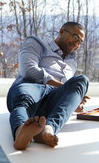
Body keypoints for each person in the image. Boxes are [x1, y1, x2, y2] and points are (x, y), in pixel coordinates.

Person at [6, 22, 90, 150]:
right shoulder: (36, 43)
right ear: (62, 31)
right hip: (31, 88)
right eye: (75, 37)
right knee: (24, 100)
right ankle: (20, 133)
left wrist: (74, 101)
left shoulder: (72, 61)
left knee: (82, 80)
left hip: (52, 100)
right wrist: (61, 86)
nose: (77, 44)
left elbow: (67, 90)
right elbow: (29, 70)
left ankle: (48, 129)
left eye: (80, 42)